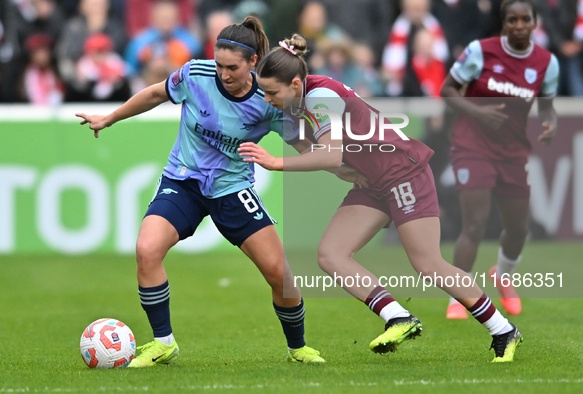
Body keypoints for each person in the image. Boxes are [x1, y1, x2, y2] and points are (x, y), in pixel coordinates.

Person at [238, 33, 523, 362]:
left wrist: (277, 163)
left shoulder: (320, 96)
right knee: (332, 254)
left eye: (272, 92)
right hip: (373, 183)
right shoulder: (298, 100)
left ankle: (503, 329)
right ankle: (398, 317)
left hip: (404, 173)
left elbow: (329, 154)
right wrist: (340, 168)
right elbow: (324, 152)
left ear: (297, 83)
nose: (267, 98)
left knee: (428, 264)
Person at [76, 17, 325, 367]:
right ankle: (163, 343)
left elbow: (309, 147)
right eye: (219, 64)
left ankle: (298, 347)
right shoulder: (195, 74)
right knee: (147, 249)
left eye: (232, 67)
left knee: (278, 274)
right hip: (183, 180)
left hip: (232, 188)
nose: (223, 73)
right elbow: (154, 94)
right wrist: (110, 118)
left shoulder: (268, 100)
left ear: (253, 62)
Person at [439, 0, 558, 319]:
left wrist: (550, 123)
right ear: (503, 23)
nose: (519, 25)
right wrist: (478, 111)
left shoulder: (546, 62)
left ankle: (503, 275)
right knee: (474, 222)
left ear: (535, 22)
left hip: (512, 151)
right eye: (512, 20)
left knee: (519, 227)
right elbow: (447, 90)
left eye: (525, 19)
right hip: (472, 145)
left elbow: (546, 106)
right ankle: (458, 297)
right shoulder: (481, 51)